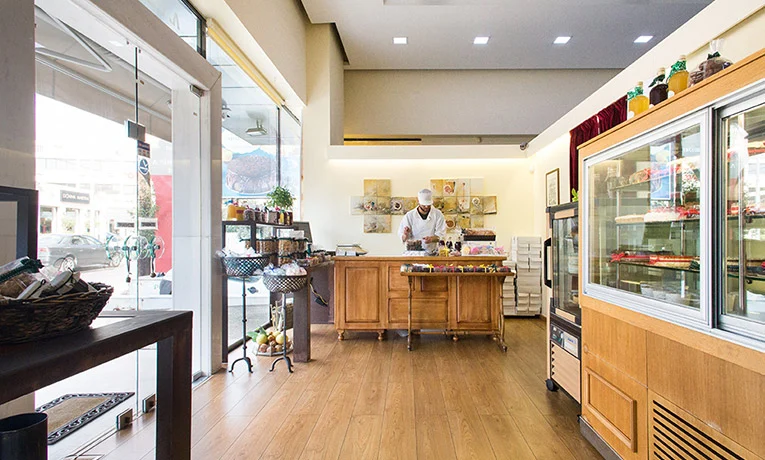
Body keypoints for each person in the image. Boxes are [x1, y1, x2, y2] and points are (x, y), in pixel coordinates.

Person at [398, 189, 446, 253]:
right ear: (418, 201)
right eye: (424, 204)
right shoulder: (409, 216)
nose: (426, 206)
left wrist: (431, 239)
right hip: (413, 253)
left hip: (432, 253)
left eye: (428, 204)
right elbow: (403, 239)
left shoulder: (438, 214)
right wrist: (405, 235)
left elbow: (441, 236)